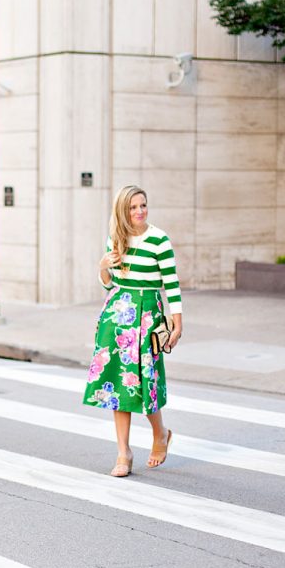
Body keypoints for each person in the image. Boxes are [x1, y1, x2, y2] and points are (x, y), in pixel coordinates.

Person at [83, 185, 183, 476]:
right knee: (118, 385)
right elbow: (108, 284)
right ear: (122, 211)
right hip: (117, 316)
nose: (139, 211)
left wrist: (178, 321)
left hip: (148, 315)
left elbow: (172, 284)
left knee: (145, 381)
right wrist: (102, 266)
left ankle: (160, 434)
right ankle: (123, 453)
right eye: (133, 207)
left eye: (143, 205)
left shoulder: (159, 239)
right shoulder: (115, 239)